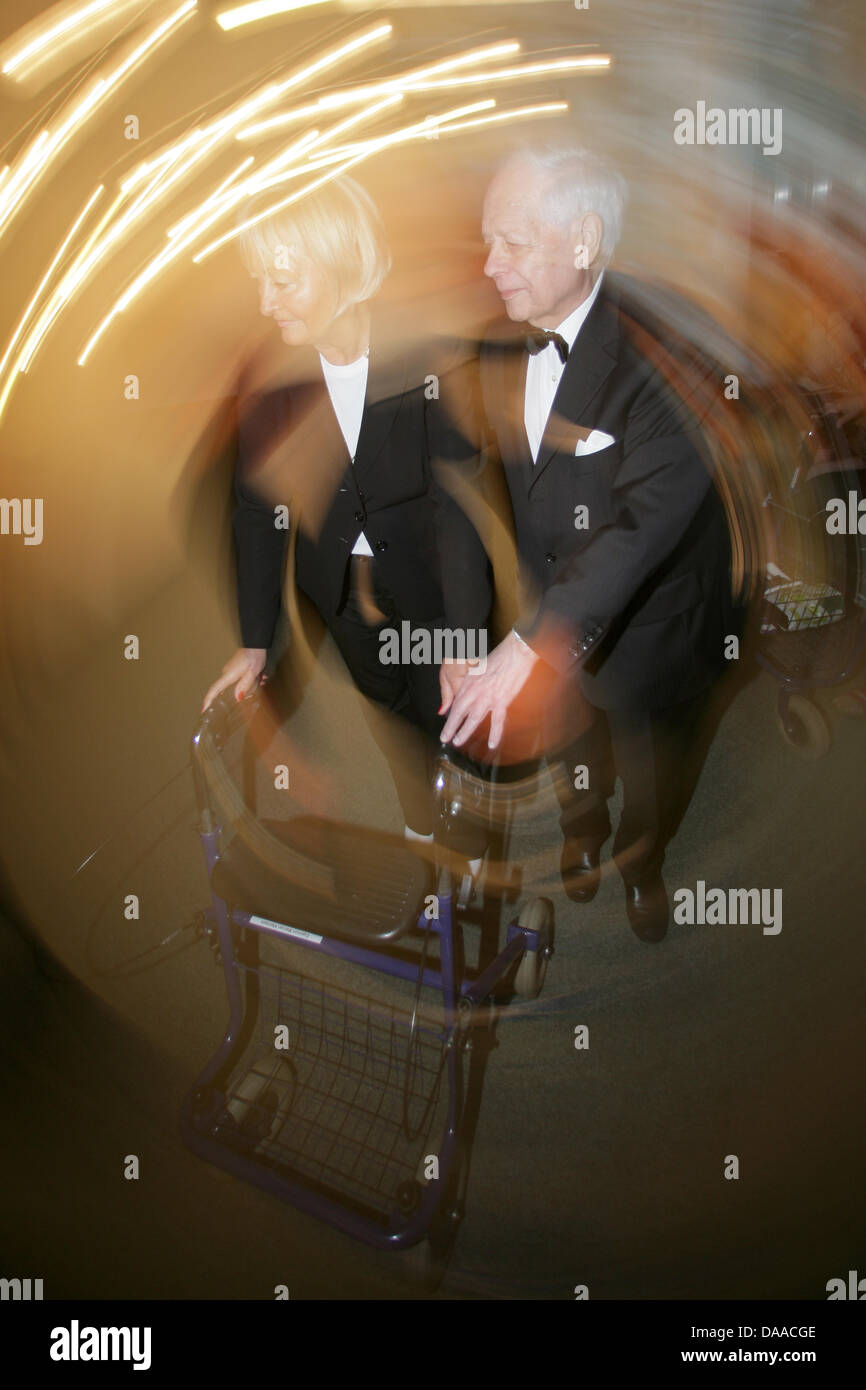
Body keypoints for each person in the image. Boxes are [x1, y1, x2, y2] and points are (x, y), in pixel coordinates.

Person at [440, 144, 742, 942]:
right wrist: (465, 636)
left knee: (652, 773)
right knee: (572, 743)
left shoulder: (675, 346)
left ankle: (644, 867)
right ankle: (582, 829)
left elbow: (644, 524)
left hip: (651, 628)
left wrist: (533, 643)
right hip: (548, 612)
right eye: (487, 239)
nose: (489, 263)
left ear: (583, 239)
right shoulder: (497, 346)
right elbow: (469, 498)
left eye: (511, 240)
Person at [201, 176, 491, 864]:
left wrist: (463, 636)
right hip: (343, 598)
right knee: (392, 713)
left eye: (283, 280)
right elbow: (257, 513)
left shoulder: (423, 355)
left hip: (430, 587)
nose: (264, 303)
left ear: (342, 267)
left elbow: (457, 506)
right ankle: (424, 825)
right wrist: (252, 641)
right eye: (258, 281)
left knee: (453, 713)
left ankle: (474, 837)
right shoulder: (270, 382)